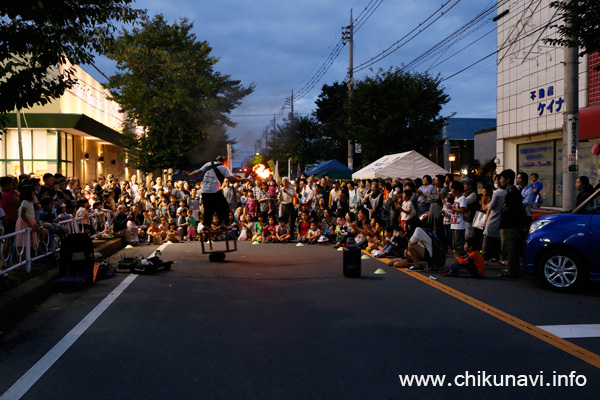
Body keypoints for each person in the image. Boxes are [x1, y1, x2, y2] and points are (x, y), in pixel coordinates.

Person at [183, 155, 246, 227]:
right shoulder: (223, 167)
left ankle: (206, 226)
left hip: (204, 190)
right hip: (214, 190)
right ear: (225, 161)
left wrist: (189, 174)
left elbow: (198, 172)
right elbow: (231, 179)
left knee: (208, 209)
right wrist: (242, 180)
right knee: (224, 207)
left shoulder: (208, 164)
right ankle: (224, 224)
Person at [498, 169, 522, 278]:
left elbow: (514, 211)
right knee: (508, 248)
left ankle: (510, 270)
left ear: (507, 180)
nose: (500, 180)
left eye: (502, 178)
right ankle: (511, 269)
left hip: (509, 225)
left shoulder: (513, 192)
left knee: (509, 248)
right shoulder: (511, 192)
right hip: (507, 224)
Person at [450, 181, 467, 256]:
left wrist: (452, 208)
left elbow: (463, 210)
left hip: (459, 224)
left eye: (452, 189)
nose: (451, 191)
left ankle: (462, 259)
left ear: (457, 190)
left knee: (459, 244)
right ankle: (459, 260)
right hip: (454, 223)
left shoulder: (462, 198)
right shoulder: (456, 198)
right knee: (454, 243)